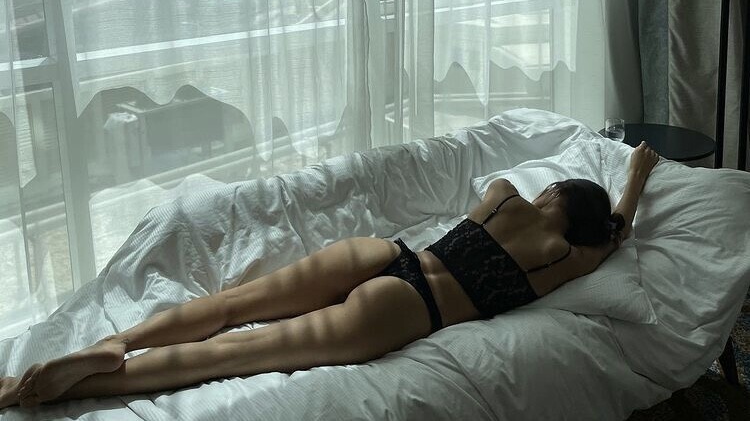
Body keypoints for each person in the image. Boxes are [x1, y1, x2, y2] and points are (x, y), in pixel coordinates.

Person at [0, 141, 660, 409]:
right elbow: (619, 231)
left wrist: (605, 171)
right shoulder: (564, 257)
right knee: (237, 354)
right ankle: (50, 390)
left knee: (232, 306)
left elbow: (499, 186)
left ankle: (118, 341)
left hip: (382, 254)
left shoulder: (505, 196)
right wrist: (635, 179)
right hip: (409, 308)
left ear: (553, 192)